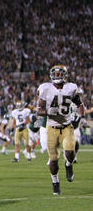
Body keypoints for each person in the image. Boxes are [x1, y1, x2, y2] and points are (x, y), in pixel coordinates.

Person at [36, 65, 85, 195]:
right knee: (53, 160)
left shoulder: (71, 88)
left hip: (67, 126)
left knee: (70, 152)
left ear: (64, 75)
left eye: (59, 74)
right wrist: (47, 112)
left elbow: (79, 103)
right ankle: (55, 182)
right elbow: (39, 110)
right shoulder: (45, 88)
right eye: (55, 74)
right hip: (51, 128)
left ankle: (69, 165)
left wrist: (82, 115)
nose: (57, 76)